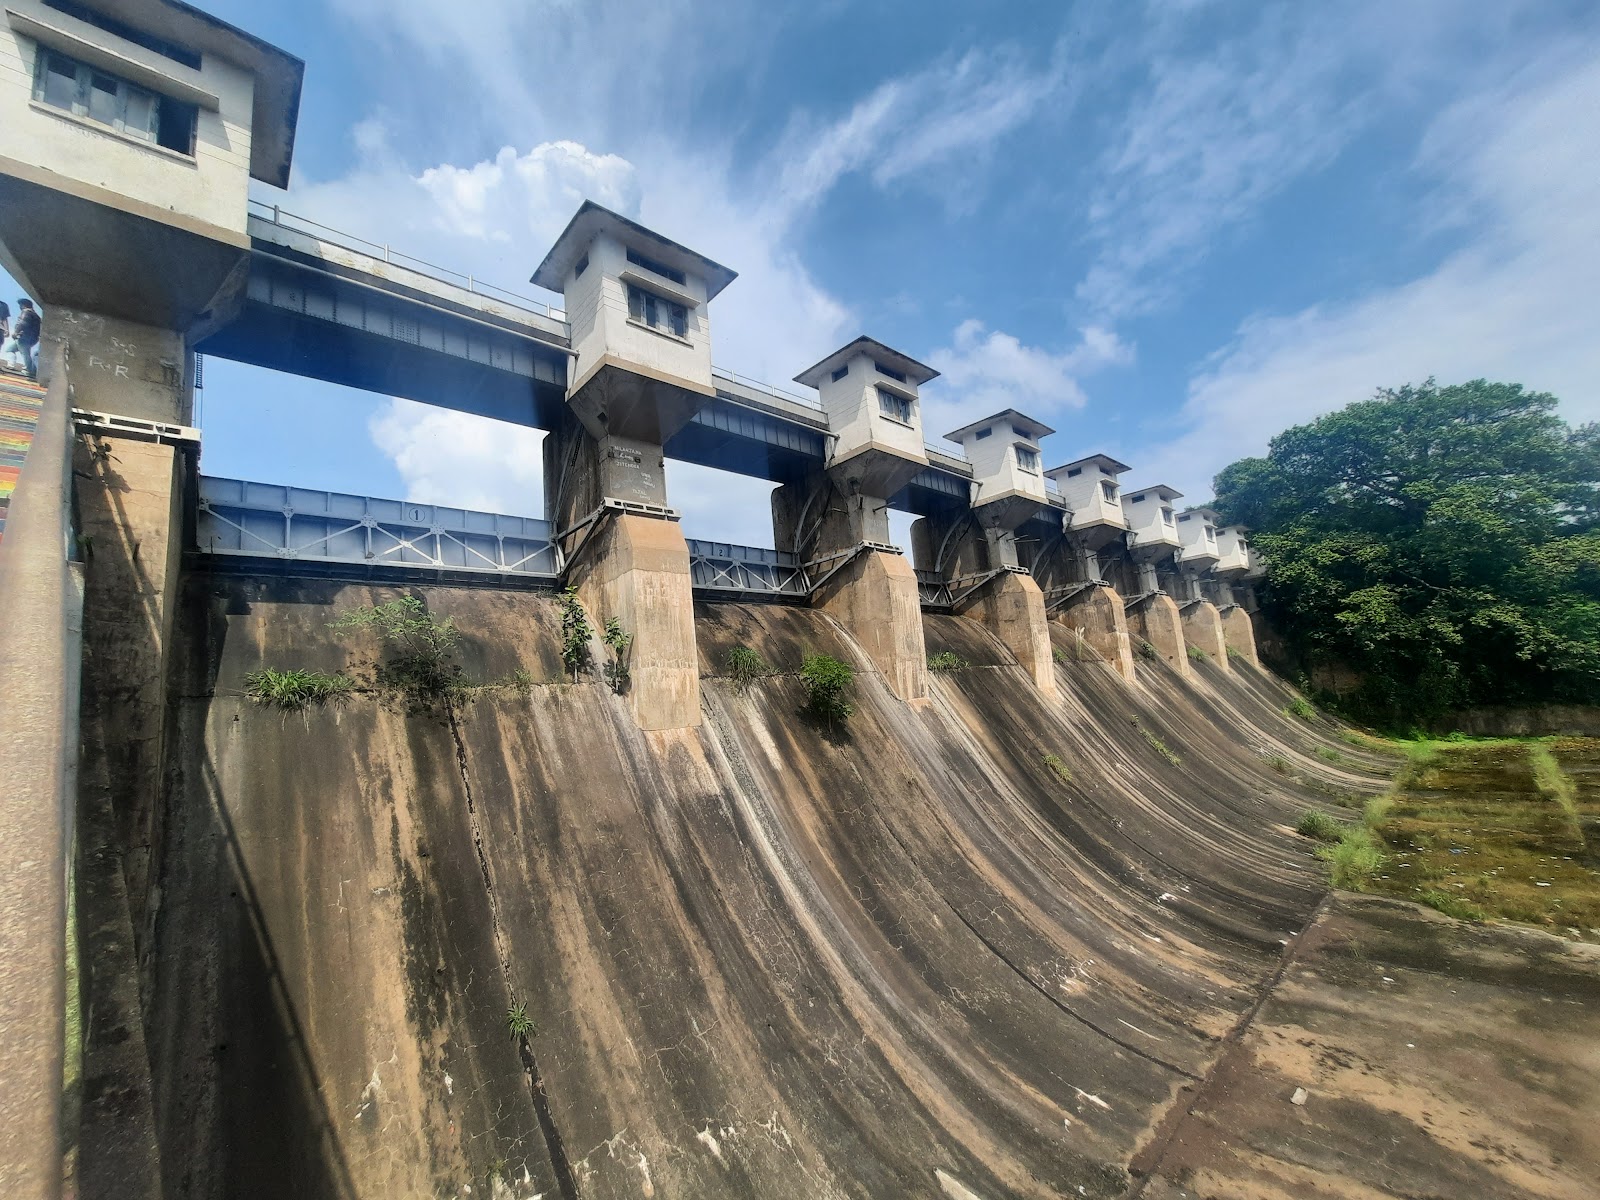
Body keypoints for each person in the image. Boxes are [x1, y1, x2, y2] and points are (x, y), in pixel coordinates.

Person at [14, 298, 40, 380]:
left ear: (24, 305)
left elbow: (22, 323)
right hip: (33, 338)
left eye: (20, 305)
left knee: (25, 354)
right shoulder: (37, 316)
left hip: (23, 337)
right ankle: (11, 364)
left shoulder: (26, 312)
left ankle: (30, 371)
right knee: (10, 349)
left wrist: (16, 332)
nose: (20, 307)